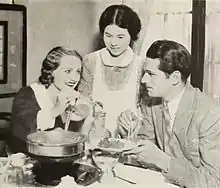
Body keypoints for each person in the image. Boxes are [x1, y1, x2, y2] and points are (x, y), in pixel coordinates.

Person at [117, 40, 220, 188]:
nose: (144, 80)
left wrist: (164, 161)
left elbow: (214, 182)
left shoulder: (210, 114)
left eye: (151, 74)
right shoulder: (152, 103)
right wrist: (130, 131)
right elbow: (145, 154)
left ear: (175, 78)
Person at [8, 46, 91, 153]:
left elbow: (84, 105)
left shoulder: (69, 94)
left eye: (78, 72)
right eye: (67, 71)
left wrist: (84, 109)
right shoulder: (27, 95)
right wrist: (56, 110)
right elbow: (23, 134)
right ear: (51, 71)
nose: (74, 78)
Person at [78, 4, 143, 135]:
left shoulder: (141, 65)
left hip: (130, 135)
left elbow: (145, 111)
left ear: (132, 35)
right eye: (108, 35)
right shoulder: (91, 61)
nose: (113, 43)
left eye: (120, 37)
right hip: (95, 133)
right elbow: (83, 99)